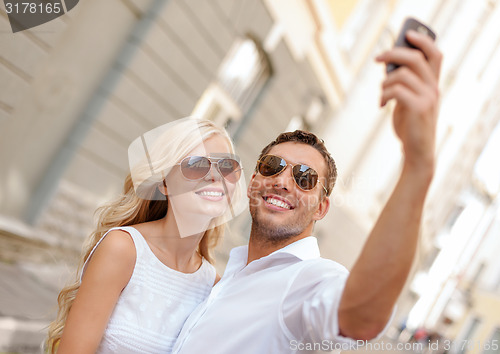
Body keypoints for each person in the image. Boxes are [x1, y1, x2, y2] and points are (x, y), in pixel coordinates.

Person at [172, 29, 442, 353]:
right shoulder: (226, 275)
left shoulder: (307, 280)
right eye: (273, 166)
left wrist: (418, 164)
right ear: (254, 182)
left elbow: (360, 316)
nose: (284, 182)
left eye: (304, 177)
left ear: (321, 209)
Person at [45, 117, 246, 353]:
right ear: (165, 184)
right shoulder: (123, 249)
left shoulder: (213, 285)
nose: (215, 176)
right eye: (196, 164)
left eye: (226, 166)